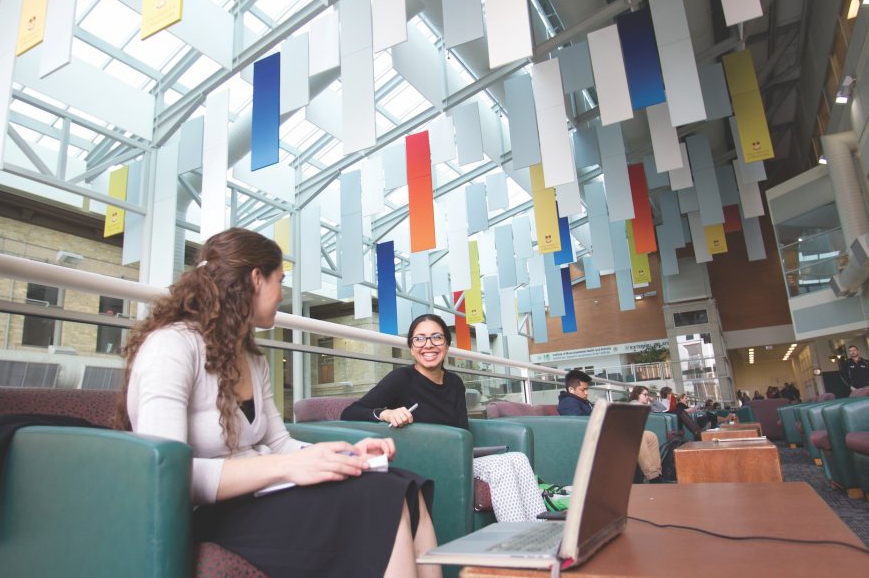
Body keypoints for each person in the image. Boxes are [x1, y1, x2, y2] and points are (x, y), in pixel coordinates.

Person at [119, 228, 440, 578]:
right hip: (208, 512)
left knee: (406, 484)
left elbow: (278, 443)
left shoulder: (251, 359)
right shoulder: (172, 347)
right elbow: (165, 473)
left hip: (261, 494)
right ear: (257, 279)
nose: (282, 293)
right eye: (279, 281)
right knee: (378, 499)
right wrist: (284, 469)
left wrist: (347, 454)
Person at [341, 314, 546, 522]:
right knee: (501, 467)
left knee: (518, 459)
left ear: (447, 345)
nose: (428, 345)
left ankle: (540, 534)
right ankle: (516, 542)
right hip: (425, 460)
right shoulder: (401, 378)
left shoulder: (455, 382)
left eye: (436, 337)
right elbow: (350, 412)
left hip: (456, 457)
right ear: (412, 348)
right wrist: (385, 413)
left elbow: (462, 429)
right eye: (419, 339)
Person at [556, 373, 664, 484]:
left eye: (587, 389)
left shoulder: (583, 401)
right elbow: (578, 425)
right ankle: (653, 478)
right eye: (583, 390)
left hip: (604, 433)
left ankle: (657, 474)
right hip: (595, 439)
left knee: (650, 436)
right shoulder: (568, 403)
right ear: (571, 389)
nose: (586, 393)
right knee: (638, 437)